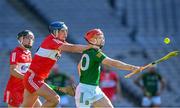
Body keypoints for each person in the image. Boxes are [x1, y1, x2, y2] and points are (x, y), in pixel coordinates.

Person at [21, 21, 97, 107]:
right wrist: (91, 47)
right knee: (55, 99)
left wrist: (90, 49)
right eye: (62, 31)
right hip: (33, 78)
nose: (65, 33)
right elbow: (72, 48)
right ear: (55, 32)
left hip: (34, 78)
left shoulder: (56, 42)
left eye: (66, 31)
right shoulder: (52, 41)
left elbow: (74, 48)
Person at [76, 28, 142, 108]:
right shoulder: (96, 53)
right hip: (85, 90)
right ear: (92, 40)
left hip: (94, 88)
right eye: (99, 38)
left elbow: (79, 66)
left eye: (102, 37)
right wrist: (132, 67)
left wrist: (83, 80)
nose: (102, 40)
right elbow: (113, 63)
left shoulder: (87, 52)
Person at [3, 30, 41, 107]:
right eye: (28, 38)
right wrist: (26, 77)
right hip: (15, 89)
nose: (31, 40)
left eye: (32, 38)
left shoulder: (29, 53)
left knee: (39, 106)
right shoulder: (15, 52)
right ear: (21, 39)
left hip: (26, 88)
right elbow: (12, 71)